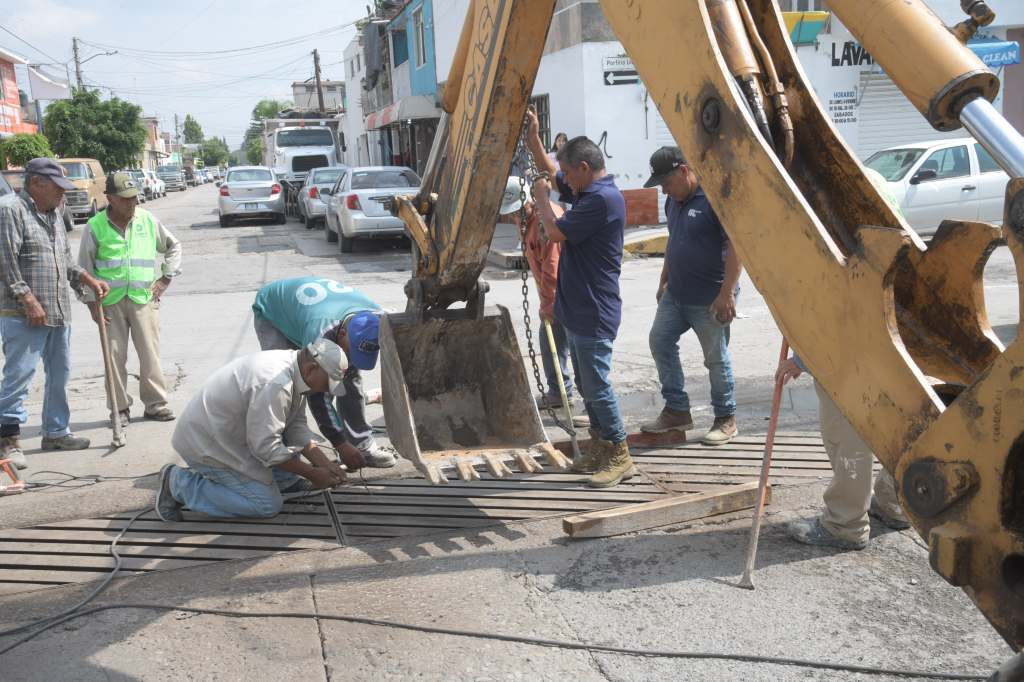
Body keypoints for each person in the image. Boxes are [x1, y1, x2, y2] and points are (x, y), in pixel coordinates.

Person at [526, 108, 633, 489]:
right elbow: (551, 170)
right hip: (577, 307)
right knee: (587, 387)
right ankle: (601, 448)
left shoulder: (601, 201)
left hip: (594, 309)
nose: (565, 181)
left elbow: (555, 232)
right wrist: (535, 138)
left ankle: (620, 454)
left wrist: (542, 199)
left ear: (585, 168)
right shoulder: (588, 190)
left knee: (597, 386)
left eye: (570, 173)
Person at [156, 338, 349, 521]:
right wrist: (312, 474)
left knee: (278, 447)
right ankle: (177, 483)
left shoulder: (295, 367)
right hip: (207, 444)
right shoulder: (275, 383)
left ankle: (283, 482)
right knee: (265, 505)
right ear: (311, 368)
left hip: (232, 435)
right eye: (327, 383)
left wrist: (325, 465)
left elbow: (295, 426)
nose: (326, 390)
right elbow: (266, 448)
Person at [0, 158, 110, 469]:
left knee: (60, 374)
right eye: (57, 187)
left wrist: (86, 278)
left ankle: (56, 432)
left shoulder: (55, 212)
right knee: (19, 376)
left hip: (58, 309)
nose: (63, 193)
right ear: (36, 183)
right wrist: (28, 300)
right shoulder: (10, 210)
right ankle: (7, 440)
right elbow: (5, 261)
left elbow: (64, 259)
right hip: (23, 313)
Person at [639, 147, 742, 446]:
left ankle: (726, 418)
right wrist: (663, 280)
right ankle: (676, 410)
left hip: (710, 298)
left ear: (684, 171)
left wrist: (727, 293)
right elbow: (674, 241)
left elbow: (737, 247)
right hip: (676, 294)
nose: (664, 191)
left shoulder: (714, 199)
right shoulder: (674, 201)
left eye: (667, 183)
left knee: (716, 359)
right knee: (659, 341)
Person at [251, 276, 395, 469]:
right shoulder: (319, 333)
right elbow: (317, 394)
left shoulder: (377, 320)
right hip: (274, 309)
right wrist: (339, 443)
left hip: (313, 310)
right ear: (342, 334)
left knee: (350, 377)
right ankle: (284, 454)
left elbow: (350, 378)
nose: (352, 359)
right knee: (290, 384)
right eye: (352, 351)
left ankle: (362, 445)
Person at [79, 172, 182, 427]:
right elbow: (84, 268)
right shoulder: (95, 226)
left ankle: (155, 404)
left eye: (134, 197)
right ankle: (119, 408)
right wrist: (91, 305)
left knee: (150, 354)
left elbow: (173, 246)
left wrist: (165, 278)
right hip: (109, 303)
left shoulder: (147, 220)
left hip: (143, 298)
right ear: (110, 198)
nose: (131, 203)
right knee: (114, 358)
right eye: (125, 199)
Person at [777, 355, 910, 550]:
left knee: (847, 429)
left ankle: (845, 524)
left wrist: (803, 358)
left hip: (847, 359)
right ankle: (894, 500)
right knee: (895, 423)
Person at [497, 176, 575, 410]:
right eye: (511, 213)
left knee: (569, 346)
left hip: (565, 294)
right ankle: (559, 392)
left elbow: (553, 268)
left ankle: (570, 395)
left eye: (517, 211)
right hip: (554, 295)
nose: (514, 217)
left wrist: (549, 304)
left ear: (529, 199)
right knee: (552, 342)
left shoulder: (544, 222)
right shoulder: (527, 220)